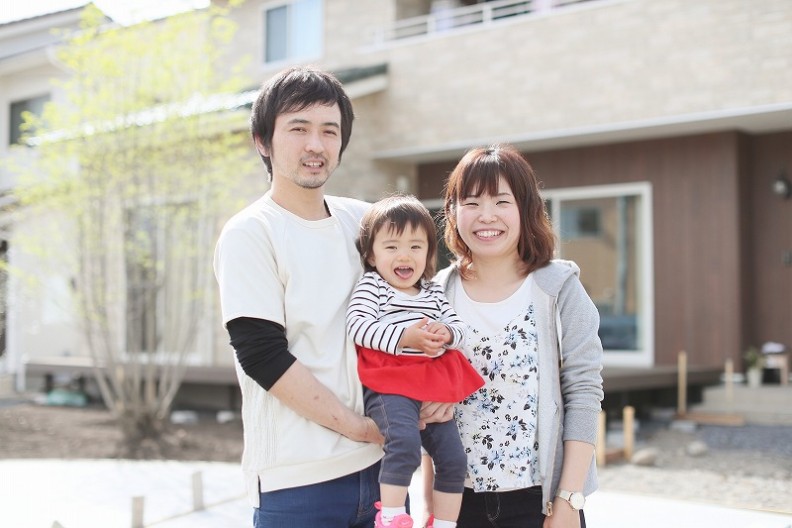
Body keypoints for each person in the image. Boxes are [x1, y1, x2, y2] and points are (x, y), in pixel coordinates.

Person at [213, 66, 386, 528]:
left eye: (329, 131)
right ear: (263, 141)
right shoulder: (251, 233)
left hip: (383, 473)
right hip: (297, 483)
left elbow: (411, 306)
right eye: (298, 128)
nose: (316, 144)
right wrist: (359, 428)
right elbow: (262, 355)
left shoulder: (365, 222)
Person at [430, 144, 604, 528]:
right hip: (455, 504)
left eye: (501, 201)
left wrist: (569, 499)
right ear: (453, 212)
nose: (486, 215)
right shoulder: (436, 294)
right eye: (471, 202)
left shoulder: (559, 288)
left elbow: (584, 393)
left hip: (540, 502)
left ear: (525, 209)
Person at [347, 195, 484, 528]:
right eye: (391, 247)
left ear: (429, 253)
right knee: (405, 446)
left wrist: (447, 333)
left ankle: (445, 522)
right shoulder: (373, 286)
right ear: (371, 255)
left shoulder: (432, 292)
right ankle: (391, 517)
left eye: (415, 246)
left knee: (454, 459)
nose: (405, 255)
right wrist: (404, 338)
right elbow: (358, 326)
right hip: (389, 383)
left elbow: (462, 330)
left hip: (429, 384)